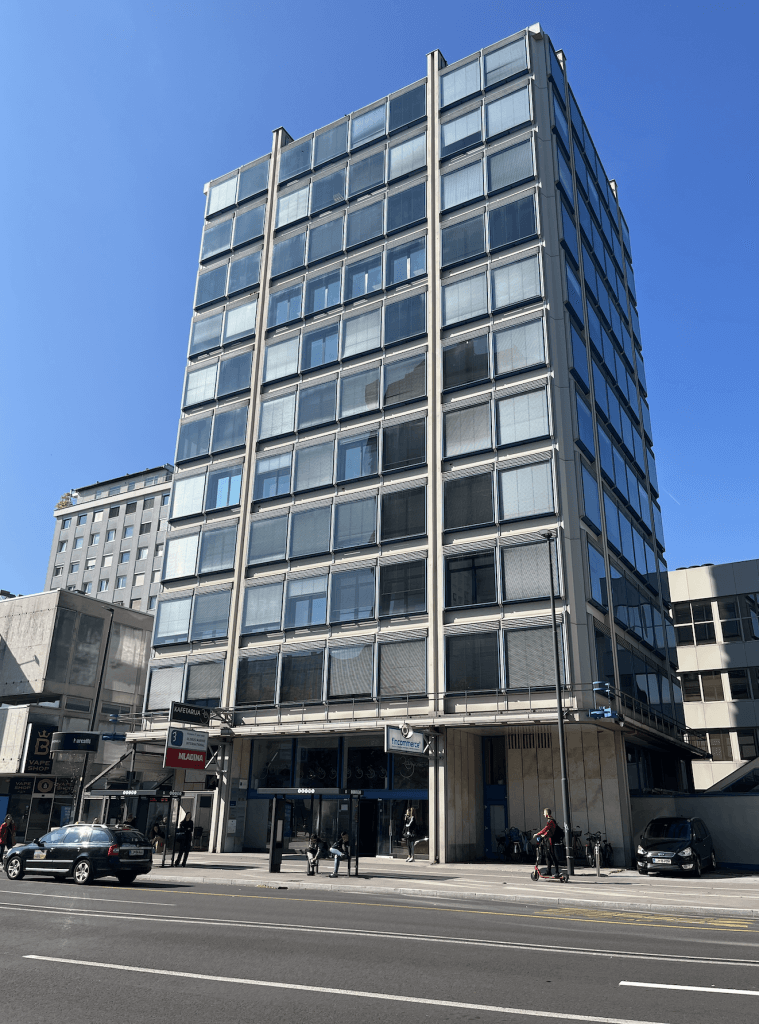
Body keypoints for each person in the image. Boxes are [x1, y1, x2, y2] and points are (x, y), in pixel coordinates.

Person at [534, 807, 561, 876]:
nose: (543, 814)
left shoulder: (551, 821)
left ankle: (557, 872)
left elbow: (546, 829)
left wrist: (538, 834)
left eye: (544, 813)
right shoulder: (550, 821)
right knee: (548, 856)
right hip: (548, 840)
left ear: (546, 814)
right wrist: (544, 835)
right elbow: (548, 830)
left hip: (550, 841)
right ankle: (548, 871)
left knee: (552, 856)